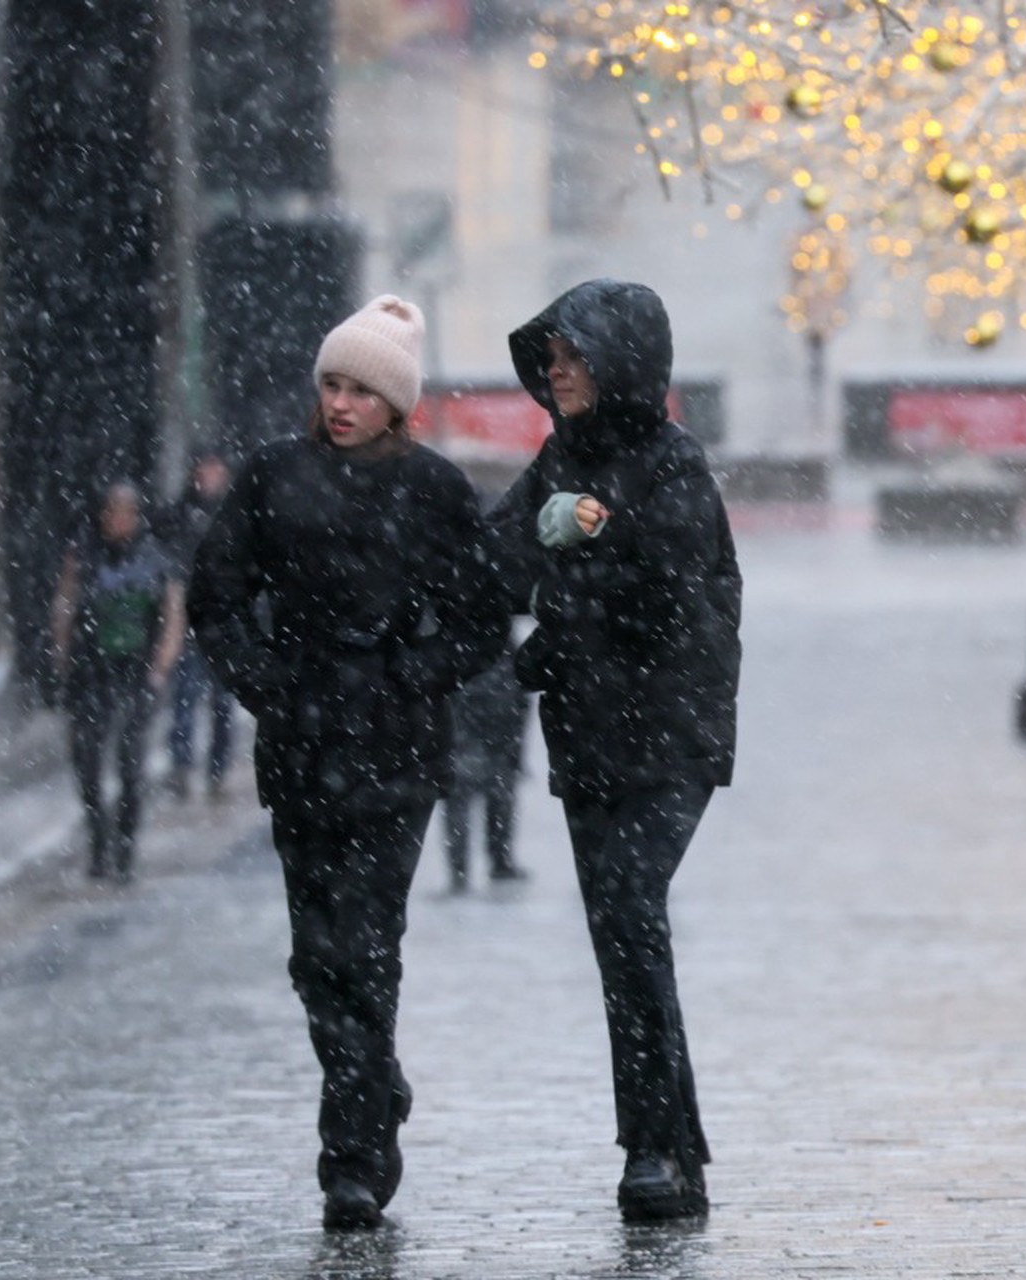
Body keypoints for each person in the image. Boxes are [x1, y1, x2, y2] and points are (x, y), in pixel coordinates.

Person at [187, 295, 507, 1232]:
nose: (341, 402)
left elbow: (483, 618)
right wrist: (268, 682)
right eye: (332, 383)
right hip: (301, 745)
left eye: (362, 390)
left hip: (397, 753)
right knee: (314, 956)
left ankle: (355, 1160)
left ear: (395, 402)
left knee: (366, 949)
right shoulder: (273, 477)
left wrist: (413, 672)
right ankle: (377, 1082)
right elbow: (216, 595)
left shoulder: (437, 491)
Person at [490, 279, 742, 1222]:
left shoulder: (674, 467)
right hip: (589, 739)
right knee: (622, 940)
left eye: (572, 353)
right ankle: (673, 1152)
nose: (553, 369)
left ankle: (651, 1147)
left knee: (632, 914)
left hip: (670, 740)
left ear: (618, 362)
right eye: (548, 355)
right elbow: (495, 560)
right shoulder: (558, 460)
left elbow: (663, 602)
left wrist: (561, 601)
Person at [50, 481, 186, 883]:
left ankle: (125, 848)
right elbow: (65, 608)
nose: (118, 521)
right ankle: (99, 839)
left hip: (134, 674)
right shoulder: (84, 556)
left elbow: (172, 617)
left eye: (126, 513)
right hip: (90, 673)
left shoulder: (155, 560)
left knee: (130, 766)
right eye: (112, 512)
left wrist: (159, 667)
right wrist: (63, 660)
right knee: (88, 765)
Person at [156, 449, 237, 801]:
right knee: (186, 698)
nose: (210, 476)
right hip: (190, 622)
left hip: (225, 624)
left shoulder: (235, 515)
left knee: (222, 704)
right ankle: (182, 766)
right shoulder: (179, 515)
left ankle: (216, 770)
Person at [440, 626, 530, 891]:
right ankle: (497, 863)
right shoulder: (504, 649)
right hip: (491, 740)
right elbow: (520, 699)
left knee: (462, 808)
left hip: (471, 740)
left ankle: (461, 871)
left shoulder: (458, 645)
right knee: (496, 804)